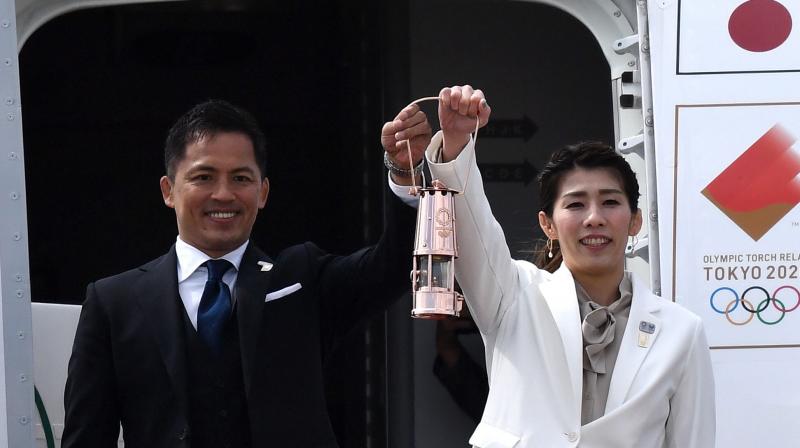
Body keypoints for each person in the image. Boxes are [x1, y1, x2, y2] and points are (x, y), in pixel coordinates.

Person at [63, 99, 423, 448]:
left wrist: (405, 171)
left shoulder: (300, 281)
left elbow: (391, 267)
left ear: (263, 191)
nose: (223, 194)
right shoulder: (114, 303)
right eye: (203, 177)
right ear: (168, 190)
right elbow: (88, 437)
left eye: (240, 178)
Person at [383, 86, 715, 447]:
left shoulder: (682, 332)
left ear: (635, 221)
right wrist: (456, 141)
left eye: (610, 202)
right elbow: (472, 224)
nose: (594, 218)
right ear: (548, 225)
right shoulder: (514, 295)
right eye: (575, 205)